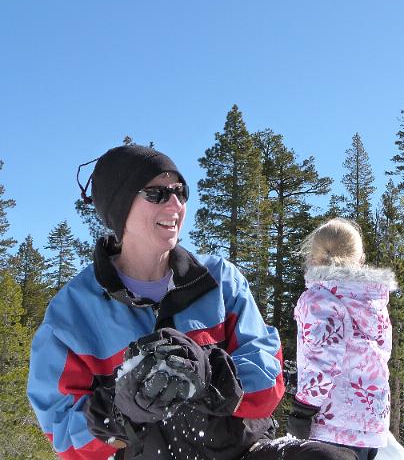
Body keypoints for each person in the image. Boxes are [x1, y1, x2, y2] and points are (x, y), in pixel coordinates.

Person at [27, 144, 355, 460]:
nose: (175, 205)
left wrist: (210, 374)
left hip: (243, 451)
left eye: (180, 192)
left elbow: (268, 380)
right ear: (120, 207)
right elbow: (63, 435)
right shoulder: (72, 314)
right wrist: (119, 408)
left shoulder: (219, 280)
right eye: (157, 194)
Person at [287, 218, 397, 460]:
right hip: (372, 423)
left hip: (333, 424)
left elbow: (324, 360)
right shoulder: (374, 300)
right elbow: (379, 355)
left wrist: (303, 409)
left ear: (313, 259)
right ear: (359, 258)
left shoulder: (318, 299)